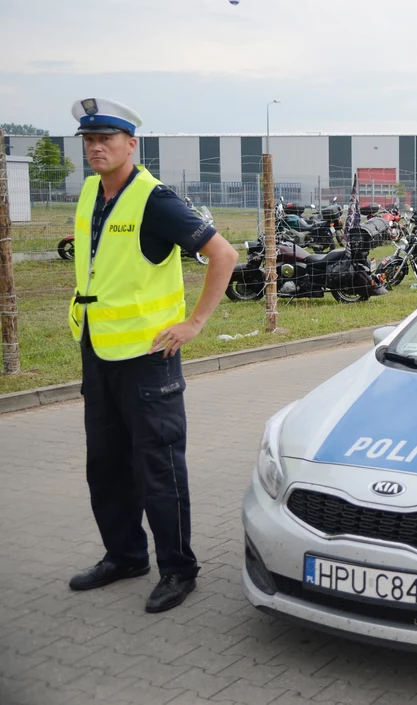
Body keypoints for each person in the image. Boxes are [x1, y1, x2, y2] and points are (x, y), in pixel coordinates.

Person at [66, 98, 238, 612]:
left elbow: (223, 255)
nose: (96, 148)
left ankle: (178, 569)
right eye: (89, 140)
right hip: (98, 352)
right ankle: (124, 555)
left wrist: (195, 322)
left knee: (158, 468)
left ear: (130, 144)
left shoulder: (154, 199)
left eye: (107, 140)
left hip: (148, 358)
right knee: (106, 465)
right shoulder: (92, 192)